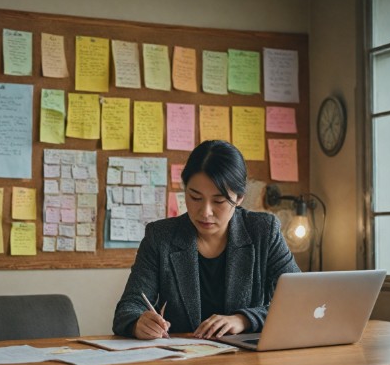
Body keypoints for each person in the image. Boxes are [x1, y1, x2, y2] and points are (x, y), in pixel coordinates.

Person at [112, 140, 300, 340]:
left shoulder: (263, 231)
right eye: (195, 197)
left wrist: (243, 319)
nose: (205, 212)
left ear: (239, 198)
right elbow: (128, 308)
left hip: (249, 360)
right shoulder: (160, 237)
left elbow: (298, 301)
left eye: (218, 201)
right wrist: (138, 322)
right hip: (182, 360)